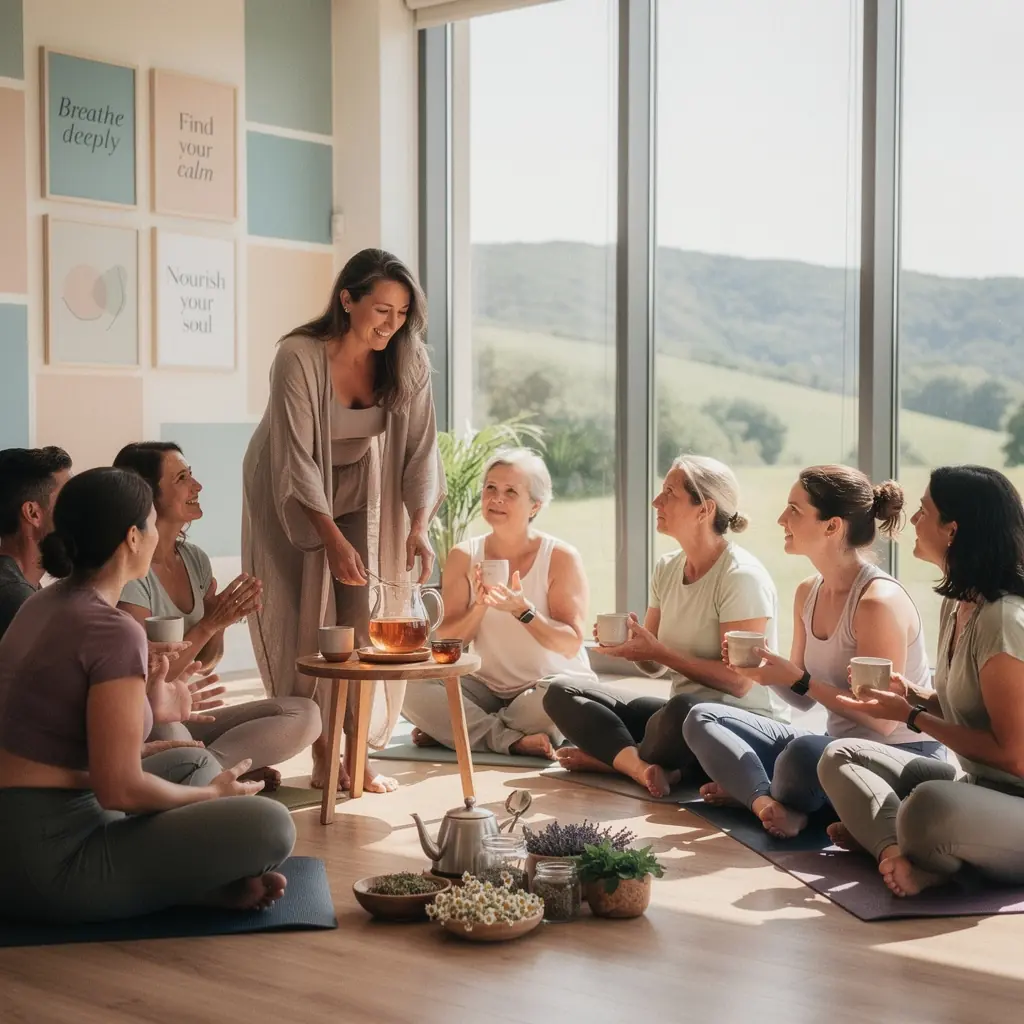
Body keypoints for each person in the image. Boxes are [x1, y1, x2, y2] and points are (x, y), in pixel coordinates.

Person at [0, 467, 295, 924]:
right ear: (133, 538)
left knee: (192, 761)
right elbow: (118, 787)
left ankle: (183, 877)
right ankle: (186, 882)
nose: (159, 534)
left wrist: (153, 704)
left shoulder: (45, 601)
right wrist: (210, 799)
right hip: (51, 860)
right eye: (152, 523)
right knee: (273, 826)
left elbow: (58, 724)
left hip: (24, 830)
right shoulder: (112, 628)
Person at [242, 248, 444, 794]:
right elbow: (296, 460)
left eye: (402, 314)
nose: (391, 324)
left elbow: (421, 452)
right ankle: (321, 750)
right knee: (307, 619)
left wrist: (419, 525)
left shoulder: (408, 359)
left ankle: (357, 753)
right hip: (287, 487)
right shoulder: (298, 355)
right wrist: (327, 535)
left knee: (359, 621)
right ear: (347, 300)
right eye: (381, 309)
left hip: (357, 480)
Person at [683, 465, 941, 840]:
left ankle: (780, 800)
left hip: (897, 756)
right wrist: (765, 672)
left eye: (794, 510)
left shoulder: (877, 602)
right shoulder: (809, 591)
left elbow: (882, 721)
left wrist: (799, 678)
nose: (781, 519)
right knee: (701, 717)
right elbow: (802, 700)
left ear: (832, 526)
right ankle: (767, 803)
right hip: (834, 750)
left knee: (802, 756)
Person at [818, 466, 1024, 897]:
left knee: (928, 805)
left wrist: (911, 717)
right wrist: (911, 695)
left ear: (952, 530)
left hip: (1014, 802)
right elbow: (967, 712)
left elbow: (1013, 756)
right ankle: (898, 852)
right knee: (840, 755)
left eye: (924, 511)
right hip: (978, 788)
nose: (912, 520)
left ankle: (911, 846)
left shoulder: (1004, 620)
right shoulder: (960, 604)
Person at [544, 455, 789, 797]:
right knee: (562, 690)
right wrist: (635, 647)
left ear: (704, 510)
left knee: (687, 709)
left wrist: (658, 650)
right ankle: (642, 766)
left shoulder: (740, 577)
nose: (656, 501)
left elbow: (738, 683)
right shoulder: (667, 567)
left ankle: (614, 758)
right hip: (677, 720)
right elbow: (655, 662)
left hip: (734, 723)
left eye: (669, 493)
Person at [115, 442, 321, 791]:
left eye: (191, 475)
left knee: (305, 714)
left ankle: (209, 770)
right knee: (169, 731)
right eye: (182, 478)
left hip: (186, 712)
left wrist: (220, 623)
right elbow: (145, 678)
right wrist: (208, 623)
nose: (196, 486)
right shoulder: (131, 571)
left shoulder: (194, 559)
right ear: (148, 495)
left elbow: (206, 662)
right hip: (151, 718)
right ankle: (208, 772)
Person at [403, 449, 596, 758]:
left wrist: (524, 611)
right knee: (409, 688)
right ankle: (510, 738)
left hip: (547, 687)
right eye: (490, 488)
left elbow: (571, 644)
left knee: (559, 700)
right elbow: (448, 640)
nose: (496, 498)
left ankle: (459, 730)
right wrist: (480, 605)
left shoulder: (560, 557)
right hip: (487, 686)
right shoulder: (463, 556)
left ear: (535, 505)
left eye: (510, 492)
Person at [0, 446, 72, 639]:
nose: (78, 512)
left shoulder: (21, 589)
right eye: (68, 500)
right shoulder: (14, 597)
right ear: (33, 513)